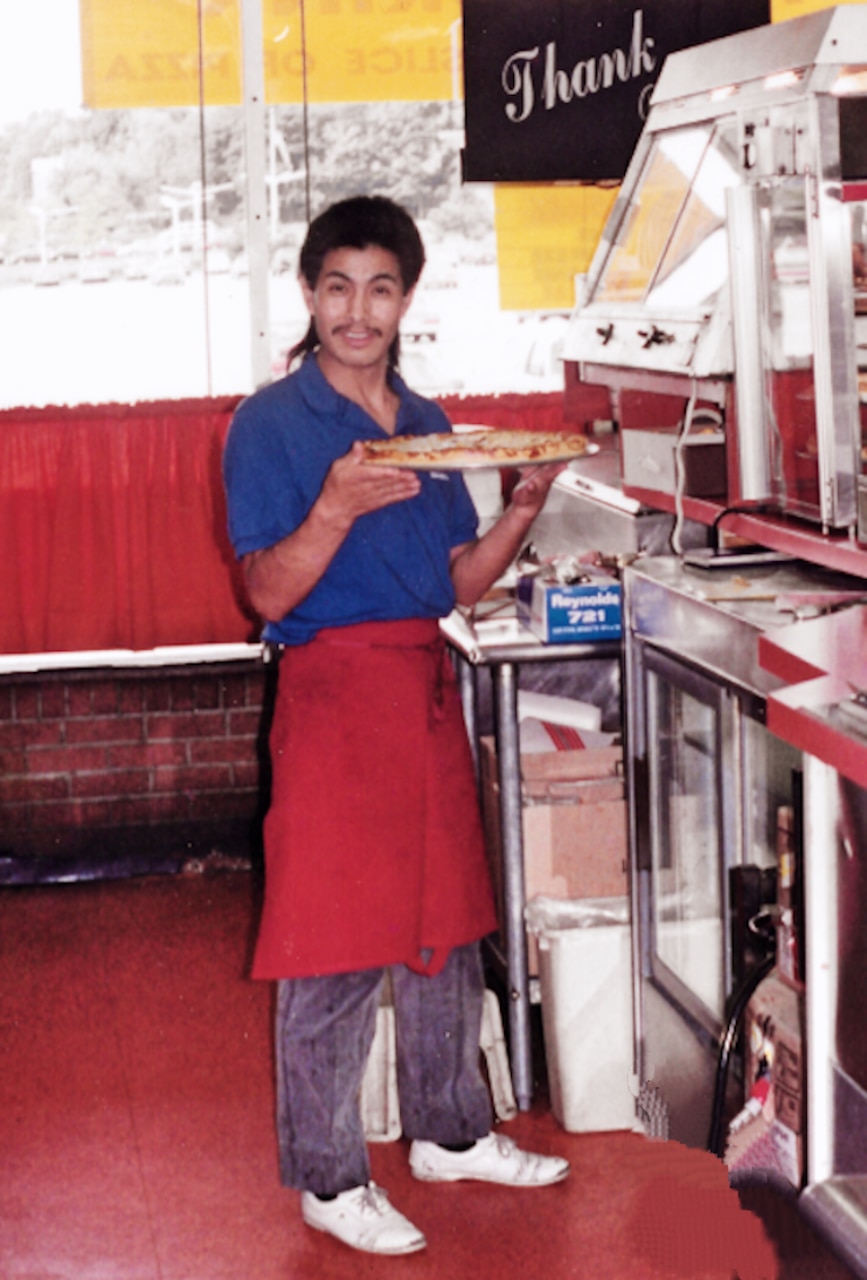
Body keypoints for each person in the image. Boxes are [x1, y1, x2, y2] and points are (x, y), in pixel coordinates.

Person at [222, 194, 570, 1258]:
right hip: (333, 697)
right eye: (337, 286)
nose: (357, 310)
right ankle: (330, 1177)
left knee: (447, 926)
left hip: (423, 682)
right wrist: (331, 509)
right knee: (329, 947)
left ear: (406, 295)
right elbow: (265, 594)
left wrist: (519, 506)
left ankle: (451, 1128)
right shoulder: (270, 426)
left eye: (379, 287)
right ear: (309, 294)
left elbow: (451, 582)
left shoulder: (426, 424)